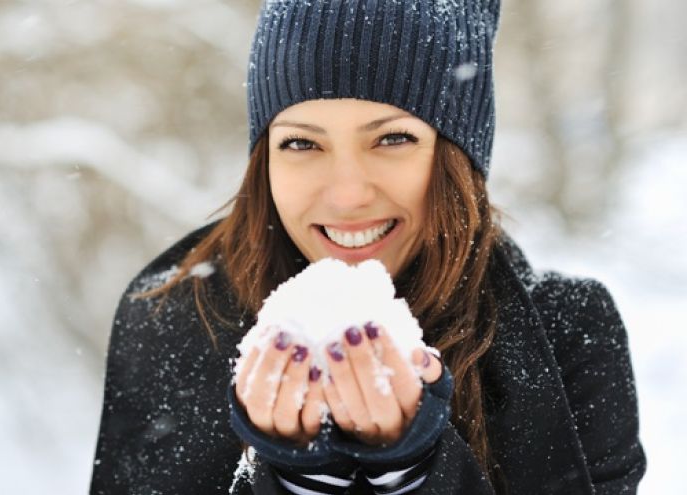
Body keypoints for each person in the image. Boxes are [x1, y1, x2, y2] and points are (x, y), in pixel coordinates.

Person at [89, 1, 646, 493]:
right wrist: (297, 480)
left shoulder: (568, 335)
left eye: (393, 138)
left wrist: (415, 472)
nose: (348, 194)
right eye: (302, 142)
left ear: (459, 156)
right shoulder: (173, 320)